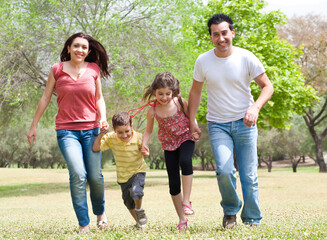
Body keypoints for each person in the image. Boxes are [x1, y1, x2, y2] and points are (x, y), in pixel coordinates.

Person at [188, 13, 274, 228]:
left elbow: (267, 86)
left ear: (232, 33)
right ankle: (230, 211)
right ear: (210, 37)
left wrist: (254, 108)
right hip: (217, 124)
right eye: (215, 34)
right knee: (225, 171)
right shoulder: (203, 60)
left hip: (245, 123)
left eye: (224, 33)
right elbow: (195, 92)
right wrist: (192, 120)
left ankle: (252, 218)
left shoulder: (247, 57)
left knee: (249, 176)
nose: (221, 38)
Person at [27, 32, 110, 233]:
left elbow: (99, 98)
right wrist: (33, 125)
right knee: (78, 174)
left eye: (84, 47)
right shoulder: (57, 70)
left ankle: (100, 213)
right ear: (68, 48)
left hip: (91, 130)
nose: (80, 50)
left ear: (88, 51)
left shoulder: (93, 69)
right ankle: (84, 223)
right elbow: (46, 98)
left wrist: (103, 117)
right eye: (76, 46)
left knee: (95, 177)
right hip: (67, 131)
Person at [141, 72, 198, 230]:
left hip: (186, 137)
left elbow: (191, 117)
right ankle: (181, 219)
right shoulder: (152, 111)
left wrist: (195, 128)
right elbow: (148, 131)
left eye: (167, 93)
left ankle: (186, 202)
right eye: (160, 94)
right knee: (173, 183)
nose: (164, 97)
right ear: (154, 92)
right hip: (168, 145)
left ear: (173, 92)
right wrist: (144, 144)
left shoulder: (179, 102)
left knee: (185, 161)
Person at [92, 111, 149, 228]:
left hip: (138, 171)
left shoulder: (138, 137)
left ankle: (139, 209)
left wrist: (146, 152)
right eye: (120, 132)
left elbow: (146, 152)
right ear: (114, 129)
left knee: (136, 192)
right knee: (128, 202)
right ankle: (139, 222)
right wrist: (101, 134)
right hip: (123, 176)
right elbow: (96, 147)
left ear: (131, 127)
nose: (124, 135)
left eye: (127, 131)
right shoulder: (111, 137)